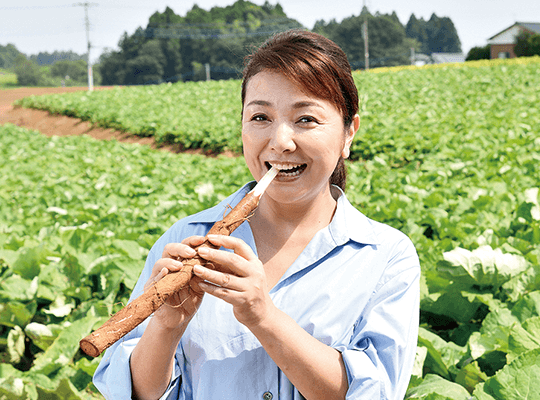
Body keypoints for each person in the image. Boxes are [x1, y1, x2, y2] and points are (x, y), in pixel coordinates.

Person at [94, 29, 420, 400]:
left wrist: (263, 316)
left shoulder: (386, 256)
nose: (280, 141)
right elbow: (132, 393)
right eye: (261, 117)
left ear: (349, 133)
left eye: (306, 119)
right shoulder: (184, 239)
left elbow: (374, 391)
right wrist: (166, 327)